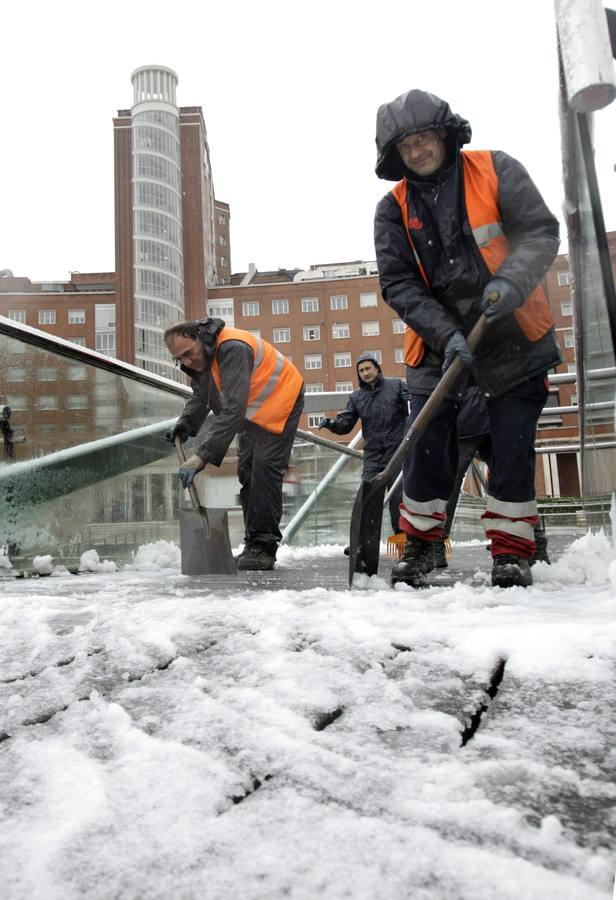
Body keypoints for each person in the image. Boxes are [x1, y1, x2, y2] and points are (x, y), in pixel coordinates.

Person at [373, 89, 561, 588]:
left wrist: (510, 282)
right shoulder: (392, 209)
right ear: (395, 154)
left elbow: (540, 232)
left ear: (444, 133)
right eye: (405, 144)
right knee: (428, 447)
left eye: (423, 137)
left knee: (510, 445)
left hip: (513, 330)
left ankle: (512, 552)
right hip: (438, 345)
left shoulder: (496, 169)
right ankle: (421, 546)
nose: (416, 150)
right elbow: (398, 283)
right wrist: (444, 332)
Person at [164, 318, 304, 571]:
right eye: (179, 359)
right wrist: (187, 423)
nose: (186, 362)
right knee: (248, 472)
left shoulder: (232, 347)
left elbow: (232, 409)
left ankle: (263, 547)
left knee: (264, 468)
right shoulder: (204, 356)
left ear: (198, 338)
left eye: (188, 353)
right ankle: (254, 544)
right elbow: (203, 394)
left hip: (282, 398)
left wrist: (201, 456)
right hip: (254, 410)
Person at [430, 387, 550, 569]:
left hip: (476, 413)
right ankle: (535, 543)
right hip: (491, 411)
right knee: (513, 477)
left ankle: (437, 544)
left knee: (456, 480)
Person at [318, 352, 409, 573]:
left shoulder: (396, 386)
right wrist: (331, 424)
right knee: (367, 501)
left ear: (377, 368)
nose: (365, 373)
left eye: (369, 368)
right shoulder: (357, 397)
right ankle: (363, 546)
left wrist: (411, 395)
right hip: (374, 456)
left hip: (397, 453)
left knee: (399, 502)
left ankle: (403, 550)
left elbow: (413, 409)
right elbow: (346, 425)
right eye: (361, 370)